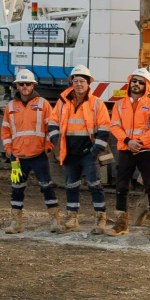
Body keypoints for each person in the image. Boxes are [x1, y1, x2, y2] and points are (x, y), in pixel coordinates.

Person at [47, 65, 109, 234]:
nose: (79, 84)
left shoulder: (97, 103)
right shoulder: (62, 102)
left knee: (95, 184)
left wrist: (97, 149)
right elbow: (53, 122)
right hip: (69, 151)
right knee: (71, 185)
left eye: (82, 81)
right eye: (76, 81)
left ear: (89, 83)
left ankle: (100, 220)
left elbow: (104, 127)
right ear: (71, 83)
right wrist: (55, 140)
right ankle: (72, 219)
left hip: (89, 152)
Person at [107, 67, 150, 238]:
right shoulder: (119, 105)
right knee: (121, 187)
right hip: (125, 150)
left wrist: (139, 143)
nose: (136, 84)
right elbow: (114, 126)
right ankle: (121, 224)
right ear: (129, 83)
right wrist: (127, 141)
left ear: (146, 86)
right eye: (134, 81)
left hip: (146, 151)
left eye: (141, 82)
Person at [0, 67, 54, 234]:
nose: (25, 86)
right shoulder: (10, 107)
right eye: (21, 84)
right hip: (17, 157)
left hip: (38, 155)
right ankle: (16, 223)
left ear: (33, 86)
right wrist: (9, 151)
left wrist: (48, 147)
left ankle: (54, 221)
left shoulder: (43, 104)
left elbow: (50, 128)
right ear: (17, 86)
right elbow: (6, 130)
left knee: (47, 187)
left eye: (28, 84)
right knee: (16, 188)